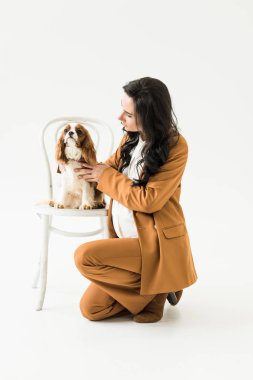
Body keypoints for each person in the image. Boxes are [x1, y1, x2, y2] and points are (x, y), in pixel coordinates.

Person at [73, 77, 198, 323]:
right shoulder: (130, 139)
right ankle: (155, 290)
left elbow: (148, 200)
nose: (120, 117)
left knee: (84, 256)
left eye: (128, 114)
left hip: (153, 243)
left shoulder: (176, 147)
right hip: (125, 241)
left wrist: (105, 175)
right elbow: (103, 169)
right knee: (92, 309)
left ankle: (159, 285)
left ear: (149, 116)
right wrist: (79, 163)